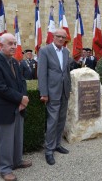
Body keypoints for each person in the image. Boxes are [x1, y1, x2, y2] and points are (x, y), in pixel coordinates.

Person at [0, 33, 31, 181]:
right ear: (1, 46)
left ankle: (17, 161)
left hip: (18, 107)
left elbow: (22, 82)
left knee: (18, 137)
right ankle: (5, 168)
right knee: (5, 141)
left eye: (15, 43)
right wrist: (21, 98)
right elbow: (0, 88)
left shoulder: (15, 62)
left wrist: (22, 100)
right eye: (10, 44)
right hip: (4, 108)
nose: (14, 46)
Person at [38, 28, 71, 165]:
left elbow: (67, 72)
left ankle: (57, 144)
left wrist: (69, 89)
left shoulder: (66, 51)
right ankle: (49, 150)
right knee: (52, 121)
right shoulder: (45, 51)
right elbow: (42, 73)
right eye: (59, 36)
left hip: (64, 91)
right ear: (53, 37)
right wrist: (44, 93)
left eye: (64, 37)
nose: (61, 39)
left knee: (61, 120)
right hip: (52, 92)